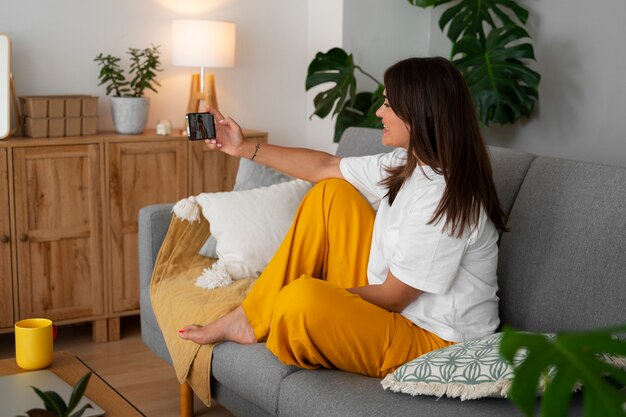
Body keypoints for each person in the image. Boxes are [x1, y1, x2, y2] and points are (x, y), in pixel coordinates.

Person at [178, 56, 508, 378]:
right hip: (398, 309)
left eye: (389, 105)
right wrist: (240, 147)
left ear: (419, 114)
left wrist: (325, 296)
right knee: (330, 193)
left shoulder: (445, 195)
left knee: (299, 300)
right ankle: (249, 318)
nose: (379, 112)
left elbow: (394, 297)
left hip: (434, 341)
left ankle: (264, 312)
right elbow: (326, 167)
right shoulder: (408, 165)